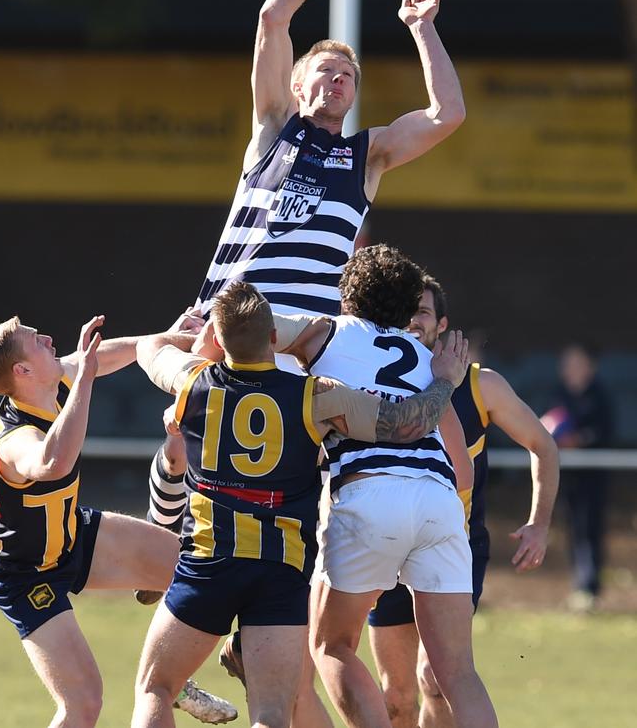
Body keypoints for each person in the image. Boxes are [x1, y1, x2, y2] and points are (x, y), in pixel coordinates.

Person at [147, 0, 466, 538]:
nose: (338, 78)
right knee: (184, 435)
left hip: (301, 344)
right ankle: (166, 547)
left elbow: (447, 116)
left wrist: (423, 28)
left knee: (283, 485)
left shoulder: (366, 155)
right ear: (297, 85)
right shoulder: (273, 131)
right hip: (228, 322)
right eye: (324, 69)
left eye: (347, 74)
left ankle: (263, 606)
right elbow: (271, 19)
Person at [130, 281, 469, 728]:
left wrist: (194, 338)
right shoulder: (314, 395)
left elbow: (149, 347)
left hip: (210, 563)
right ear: (275, 338)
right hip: (281, 571)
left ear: (218, 340)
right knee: (272, 714)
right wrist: (444, 382)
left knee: (156, 687)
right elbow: (407, 423)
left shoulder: (192, 380)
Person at [216, 247, 495, 728]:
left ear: (348, 299)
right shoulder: (425, 359)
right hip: (439, 500)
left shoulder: (326, 332)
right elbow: (460, 461)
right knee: (458, 672)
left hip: (369, 494)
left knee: (331, 644)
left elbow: (243, 332)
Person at [0, 316, 238, 727]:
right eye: (35, 339)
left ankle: (173, 674)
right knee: (83, 705)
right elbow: (52, 462)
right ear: (23, 370)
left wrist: (172, 340)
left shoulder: (49, 381)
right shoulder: (14, 440)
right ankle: (166, 680)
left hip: (71, 534)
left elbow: (119, 351)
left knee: (199, 568)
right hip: (24, 574)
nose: (48, 337)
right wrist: (84, 380)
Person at [363, 273, 560, 728]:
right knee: (396, 697)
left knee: (436, 676)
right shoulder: (369, 380)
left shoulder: (480, 385)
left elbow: (544, 446)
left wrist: (539, 522)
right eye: (405, 311)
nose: (413, 320)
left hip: (455, 547)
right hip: (386, 543)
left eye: (424, 312)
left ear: (442, 325)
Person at [545, 344, 612, 612]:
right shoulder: (558, 395)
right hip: (566, 477)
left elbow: (605, 432)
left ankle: (590, 588)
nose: (570, 369)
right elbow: (546, 425)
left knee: (590, 529)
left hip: (593, 478)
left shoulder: (600, 396)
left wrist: (579, 441)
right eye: (567, 363)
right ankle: (579, 584)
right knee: (573, 529)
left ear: (590, 367)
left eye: (576, 363)